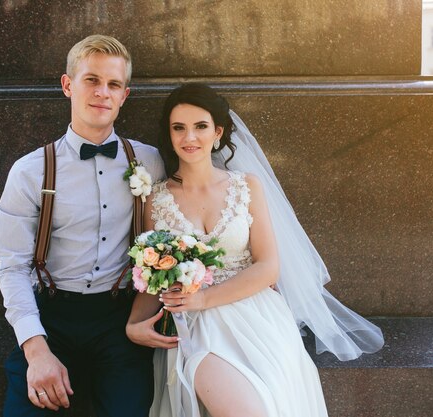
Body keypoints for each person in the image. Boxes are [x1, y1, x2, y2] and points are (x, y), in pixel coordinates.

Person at [127, 83, 384, 417]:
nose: (189, 137)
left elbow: (268, 267)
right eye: (179, 128)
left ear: (217, 132)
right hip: (195, 326)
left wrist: (205, 297)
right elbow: (153, 272)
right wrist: (133, 325)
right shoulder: (156, 199)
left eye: (200, 126)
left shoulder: (245, 185)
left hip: (258, 318)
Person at [0, 35, 165, 416]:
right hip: (50, 317)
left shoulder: (151, 163)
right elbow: (13, 266)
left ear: (125, 95)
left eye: (113, 84)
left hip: (121, 321)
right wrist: (36, 351)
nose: (103, 92)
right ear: (67, 85)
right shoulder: (29, 171)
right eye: (91, 80)